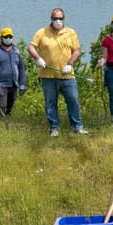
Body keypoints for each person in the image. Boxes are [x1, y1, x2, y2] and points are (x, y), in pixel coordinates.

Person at [28, 8, 85, 136]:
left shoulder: (71, 32)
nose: (58, 21)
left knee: (73, 100)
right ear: (51, 19)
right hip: (48, 76)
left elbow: (77, 51)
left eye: (60, 18)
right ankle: (54, 128)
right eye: (55, 18)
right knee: (50, 102)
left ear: (64, 19)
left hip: (67, 75)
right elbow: (31, 47)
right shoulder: (42, 32)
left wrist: (70, 64)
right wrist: (38, 59)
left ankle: (77, 126)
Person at [0, 27, 27, 119]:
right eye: (6, 36)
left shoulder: (16, 51)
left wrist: (22, 84)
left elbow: (21, 68)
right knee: (1, 107)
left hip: (13, 85)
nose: (8, 38)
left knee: (9, 108)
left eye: (10, 36)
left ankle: (5, 126)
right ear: (1, 38)